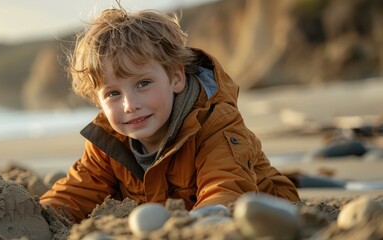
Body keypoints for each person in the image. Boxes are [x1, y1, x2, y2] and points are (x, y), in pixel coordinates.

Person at [40, 6, 300, 223]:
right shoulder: (107, 142)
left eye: (143, 84)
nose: (130, 105)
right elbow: (74, 194)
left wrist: (193, 224)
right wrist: (37, 216)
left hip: (272, 213)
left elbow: (226, 189)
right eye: (113, 94)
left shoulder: (214, 124)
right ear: (98, 100)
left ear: (176, 78)